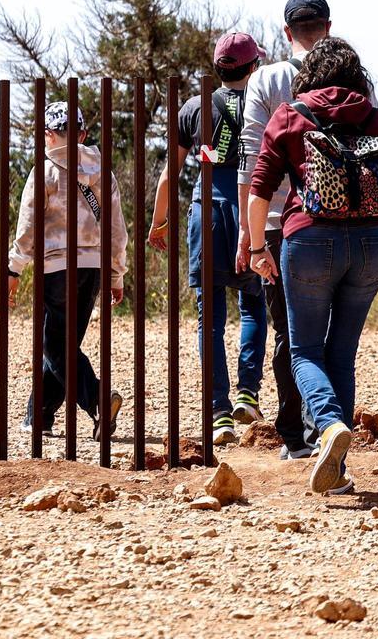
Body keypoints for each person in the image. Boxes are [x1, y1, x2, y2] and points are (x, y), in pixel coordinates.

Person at [247, 37, 378, 495]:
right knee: (341, 353)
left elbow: (260, 187)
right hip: (373, 245)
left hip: (309, 240)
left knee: (304, 350)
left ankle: (326, 426)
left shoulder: (291, 114)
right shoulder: (377, 119)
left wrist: (257, 249)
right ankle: (336, 469)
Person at [148, 32, 267, 445]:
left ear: (217, 68)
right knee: (254, 307)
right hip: (250, 210)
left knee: (209, 319)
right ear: (253, 67)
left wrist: (158, 222)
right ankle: (248, 393)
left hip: (206, 211)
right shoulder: (261, 105)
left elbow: (169, 176)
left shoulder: (194, 107)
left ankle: (218, 413)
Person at [235, 0, 336, 461]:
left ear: (285, 31)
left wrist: (247, 236)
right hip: (343, 221)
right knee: (333, 330)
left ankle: (296, 434)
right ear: (329, 26)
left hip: (276, 223)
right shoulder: (351, 73)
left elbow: (249, 162)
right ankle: (330, 423)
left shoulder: (266, 80)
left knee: (289, 332)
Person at [7, 101, 127, 440]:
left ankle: (98, 399)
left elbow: (28, 227)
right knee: (63, 343)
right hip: (93, 269)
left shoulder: (44, 170)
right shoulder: (103, 170)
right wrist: (116, 274)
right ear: (83, 134)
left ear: (47, 135)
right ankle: (39, 415)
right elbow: (117, 229)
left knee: (55, 345)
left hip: (57, 268)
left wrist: (14, 269)